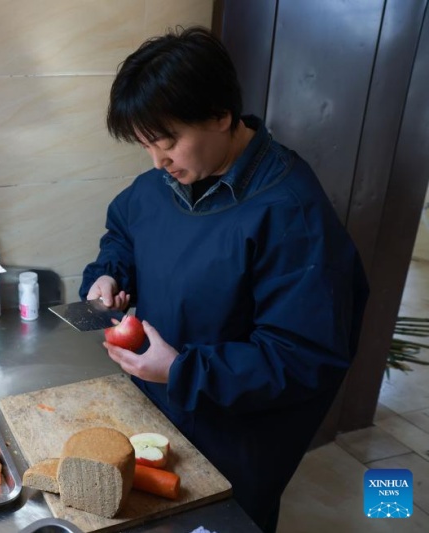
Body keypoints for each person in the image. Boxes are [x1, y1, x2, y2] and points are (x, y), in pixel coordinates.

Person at [81, 27, 369, 532]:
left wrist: (182, 370)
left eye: (168, 142)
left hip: (234, 437)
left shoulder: (291, 213)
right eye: (147, 146)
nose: (158, 161)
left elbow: (302, 357)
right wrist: (109, 273)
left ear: (220, 115)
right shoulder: (164, 181)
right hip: (155, 407)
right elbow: (124, 231)